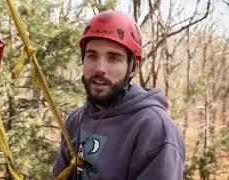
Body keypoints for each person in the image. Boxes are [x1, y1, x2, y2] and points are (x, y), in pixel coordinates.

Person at [53, 10, 185, 180]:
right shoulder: (76, 121)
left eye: (114, 58)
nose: (100, 68)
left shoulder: (155, 131)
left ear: (134, 68)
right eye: (92, 56)